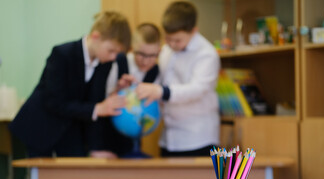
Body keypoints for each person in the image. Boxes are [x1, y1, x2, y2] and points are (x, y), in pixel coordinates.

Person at [9, 11, 132, 158]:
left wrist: (95, 148)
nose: (113, 57)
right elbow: (54, 102)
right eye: (111, 51)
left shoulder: (104, 63)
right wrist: (97, 108)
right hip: (40, 126)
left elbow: (94, 103)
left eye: (116, 53)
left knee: (74, 173)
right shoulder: (62, 54)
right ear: (96, 37)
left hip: (70, 129)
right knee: (40, 178)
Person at [136, 1, 220, 157]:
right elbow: (161, 79)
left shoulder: (206, 54)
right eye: (168, 39)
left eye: (178, 40)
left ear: (194, 31)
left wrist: (161, 92)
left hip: (197, 138)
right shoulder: (167, 50)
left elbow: (197, 89)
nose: (172, 44)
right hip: (168, 137)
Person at [102, 23, 161, 157]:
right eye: (141, 54)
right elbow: (101, 98)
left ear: (159, 51)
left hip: (134, 136)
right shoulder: (118, 62)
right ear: (132, 48)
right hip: (109, 137)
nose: (146, 61)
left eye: (152, 55)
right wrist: (116, 90)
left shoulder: (156, 71)